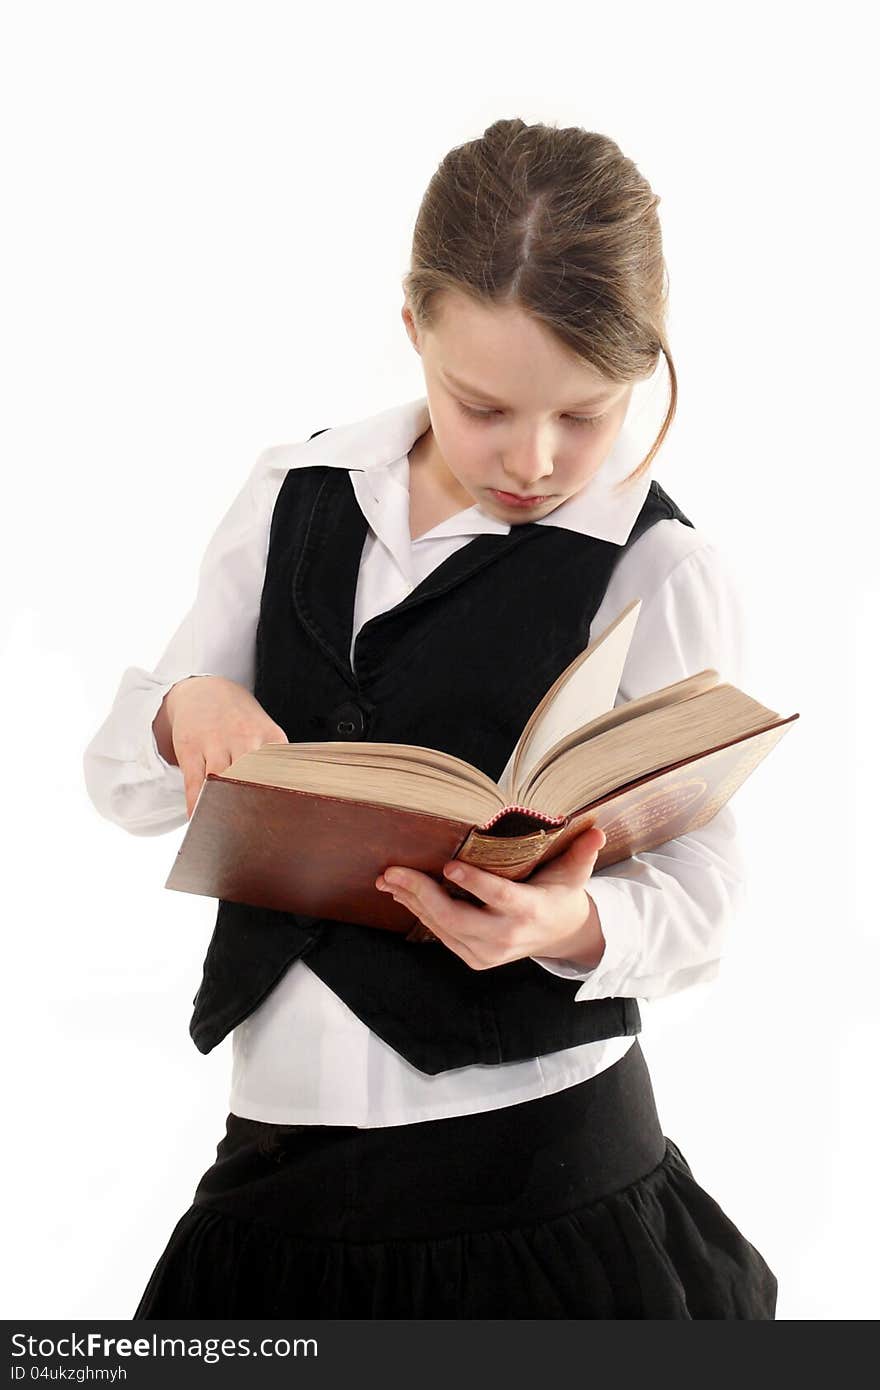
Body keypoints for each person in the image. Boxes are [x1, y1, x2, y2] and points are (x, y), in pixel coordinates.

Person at [83, 117, 778, 1319]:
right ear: (414, 329)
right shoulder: (293, 492)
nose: (536, 458)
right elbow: (121, 784)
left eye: (587, 415)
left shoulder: (656, 563)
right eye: (484, 405)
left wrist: (566, 923)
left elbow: (705, 892)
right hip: (279, 1184)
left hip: (547, 1181)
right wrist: (180, 711)